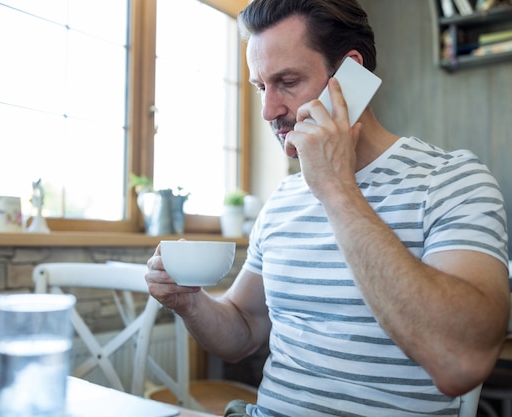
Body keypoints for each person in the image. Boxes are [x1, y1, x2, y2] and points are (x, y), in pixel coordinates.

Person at [145, 0, 510, 415]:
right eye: (261, 87)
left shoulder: (453, 181)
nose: (269, 110)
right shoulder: (283, 199)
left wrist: (337, 190)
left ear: (350, 75)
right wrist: (190, 303)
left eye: (287, 81)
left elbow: (461, 362)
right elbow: (243, 330)